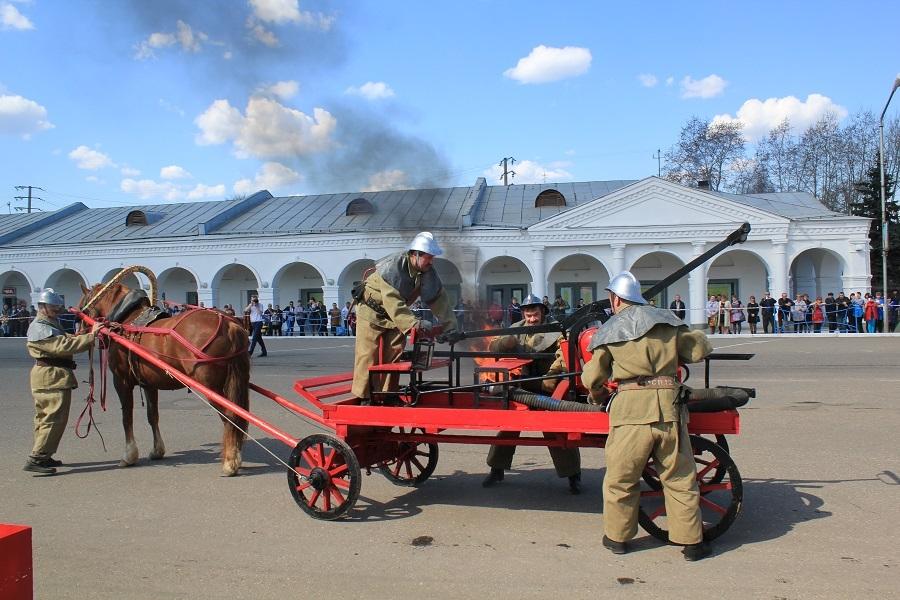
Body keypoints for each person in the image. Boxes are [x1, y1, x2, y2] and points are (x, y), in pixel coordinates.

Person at [581, 271, 713, 561]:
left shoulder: (610, 329)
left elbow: (592, 378)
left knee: (621, 478)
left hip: (629, 411)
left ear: (615, 298)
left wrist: (598, 396)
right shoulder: (666, 320)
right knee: (679, 477)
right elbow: (700, 350)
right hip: (669, 407)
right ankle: (691, 543)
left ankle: (617, 538)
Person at [482, 294, 582, 494]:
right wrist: (506, 343)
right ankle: (497, 469)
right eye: (528, 315)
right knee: (509, 426)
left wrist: (550, 378)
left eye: (535, 314)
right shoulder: (517, 328)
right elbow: (494, 345)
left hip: (550, 386)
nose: (532, 319)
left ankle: (573, 476)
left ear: (542, 312)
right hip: (524, 384)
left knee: (556, 431)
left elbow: (564, 354)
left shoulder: (558, 329)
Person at [350, 232, 461, 402]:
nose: (431, 261)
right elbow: (393, 301)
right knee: (368, 354)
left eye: (432, 258)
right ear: (415, 254)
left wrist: (451, 326)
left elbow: (439, 299)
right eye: (428, 257)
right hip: (370, 311)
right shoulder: (393, 267)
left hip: (393, 316)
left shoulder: (427, 270)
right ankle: (363, 396)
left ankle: (388, 394)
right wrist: (413, 324)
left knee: (394, 353)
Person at [25, 289, 101, 474]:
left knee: (46, 418)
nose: (57, 310)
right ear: (42, 307)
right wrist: (91, 337)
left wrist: (85, 334)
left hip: (52, 377)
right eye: (53, 306)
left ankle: (45, 455)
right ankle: (37, 458)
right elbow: (63, 346)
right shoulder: (40, 327)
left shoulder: (49, 323)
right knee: (53, 418)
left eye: (58, 306)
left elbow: (66, 338)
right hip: (50, 378)